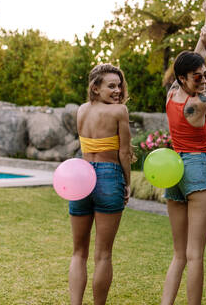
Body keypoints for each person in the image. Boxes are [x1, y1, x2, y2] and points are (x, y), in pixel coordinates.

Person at [161, 0, 206, 305]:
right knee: (195, 255)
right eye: (199, 77)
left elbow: (192, 58)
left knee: (179, 254)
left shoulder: (173, 93)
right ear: (183, 78)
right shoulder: (197, 103)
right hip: (198, 170)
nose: (205, 80)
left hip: (174, 170)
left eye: (205, 74)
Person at [68, 63, 132, 305]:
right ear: (95, 88)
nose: (117, 91)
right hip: (109, 175)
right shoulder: (119, 112)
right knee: (103, 254)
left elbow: (85, 147)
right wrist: (127, 183)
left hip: (80, 177)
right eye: (111, 86)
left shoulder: (81, 110)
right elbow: (124, 153)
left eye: (119, 85)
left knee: (78, 252)